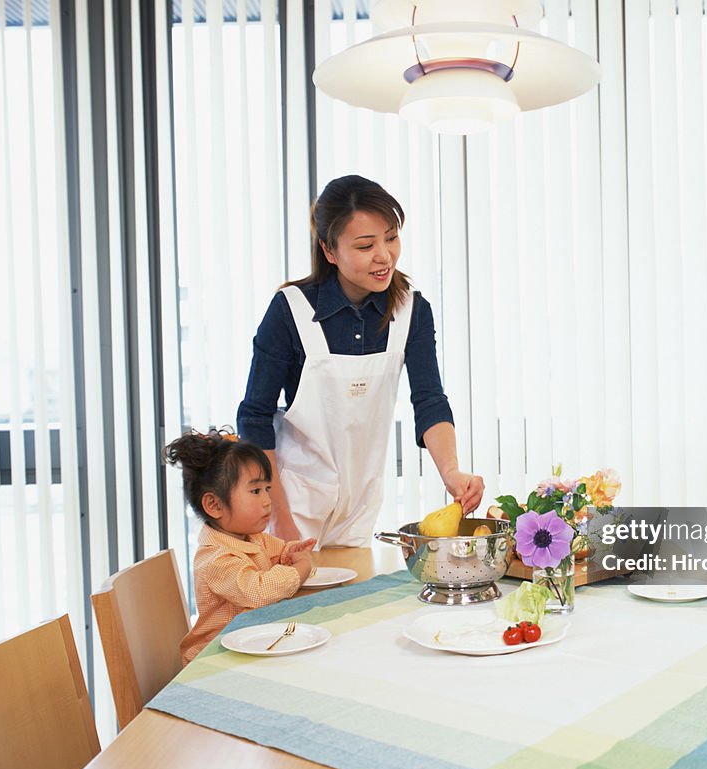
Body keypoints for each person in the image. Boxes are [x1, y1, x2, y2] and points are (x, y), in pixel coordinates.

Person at [237, 175, 484, 547]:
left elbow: (429, 400)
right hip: (289, 505)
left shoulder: (411, 312)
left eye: (391, 237)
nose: (384, 255)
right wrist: (279, 519)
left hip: (359, 507)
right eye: (366, 245)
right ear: (330, 251)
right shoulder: (291, 310)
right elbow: (254, 418)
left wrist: (451, 472)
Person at [166, 429, 317, 665]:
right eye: (256, 491)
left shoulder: (251, 538)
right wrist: (301, 569)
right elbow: (259, 591)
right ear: (214, 505)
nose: (267, 500)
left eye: (268, 489)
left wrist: (290, 553)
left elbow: (277, 552)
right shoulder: (216, 558)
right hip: (214, 663)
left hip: (248, 649)